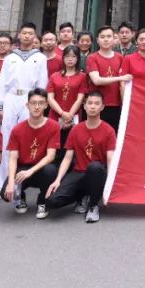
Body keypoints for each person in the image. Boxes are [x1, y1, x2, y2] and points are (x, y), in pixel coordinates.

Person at [43, 91, 117, 223]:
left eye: (96, 104)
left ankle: (93, 205)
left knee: (94, 167)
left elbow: (111, 158)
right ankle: (82, 196)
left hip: (97, 174)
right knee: (51, 202)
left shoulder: (109, 130)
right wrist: (58, 180)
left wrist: (110, 186)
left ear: (102, 107)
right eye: (90, 103)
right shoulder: (76, 129)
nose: (93, 106)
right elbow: (67, 157)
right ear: (84, 106)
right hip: (78, 172)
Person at [0, 22, 47, 197]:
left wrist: (38, 105)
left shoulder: (40, 57)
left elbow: (42, 83)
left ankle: (20, 182)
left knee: (26, 138)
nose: (27, 36)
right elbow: (1, 84)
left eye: (30, 33)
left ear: (34, 36)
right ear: (19, 35)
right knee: (7, 138)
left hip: (29, 98)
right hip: (11, 97)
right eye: (24, 33)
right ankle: (2, 181)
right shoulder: (10, 57)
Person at [1, 88, 60, 218]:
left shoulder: (53, 126)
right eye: (33, 103)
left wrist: (31, 171)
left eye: (40, 103)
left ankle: (42, 201)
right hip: (23, 168)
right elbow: (12, 158)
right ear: (27, 105)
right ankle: (20, 197)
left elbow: (51, 156)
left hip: (41, 168)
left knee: (50, 170)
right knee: (5, 194)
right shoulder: (17, 129)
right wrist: (11, 183)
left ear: (46, 105)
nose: (37, 107)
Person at [87, 26, 130, 131]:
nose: (106, 39)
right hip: (97, 105)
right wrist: (120, 78)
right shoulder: (92, 57)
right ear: (97, 40)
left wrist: (125, 104)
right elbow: (96, 80)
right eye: (102, 37)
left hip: (115, 105)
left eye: (109, 36)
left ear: (115, 39)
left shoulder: (120, 57)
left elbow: (122, 84)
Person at [46, 44, 88, 148]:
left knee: (71, 146)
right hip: (55, 115)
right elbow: (50, 98)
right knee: (54, 145)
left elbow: (80, 99)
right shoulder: (54, 76)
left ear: (78, 59)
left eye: (73, 56)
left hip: (74, 116)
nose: (70, 59)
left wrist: (69, 115)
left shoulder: (82, 77)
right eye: (67, 56)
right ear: (63, 58)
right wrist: (62, 113)